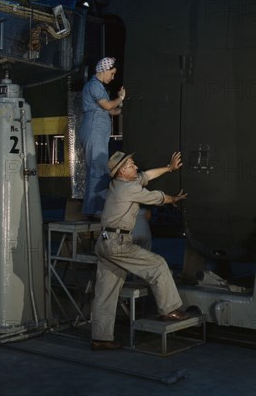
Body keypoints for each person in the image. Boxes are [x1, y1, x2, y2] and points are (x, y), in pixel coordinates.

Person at [90, 151, 189, 350]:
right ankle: (168, 309)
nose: (136, 168)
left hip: (105, 242)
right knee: (158, 264)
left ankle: (100, 338)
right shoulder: (127, 189)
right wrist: (173, 198)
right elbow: (157, 198)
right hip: (117, 243)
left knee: (106, 293)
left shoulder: (121, 184)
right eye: (132, 165)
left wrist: (169, 168)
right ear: (121, 172)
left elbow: (146, 176)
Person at [78, 57, 126, 218]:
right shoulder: (94, 85)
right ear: (104, 70)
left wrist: (125, 109)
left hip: (98, 129)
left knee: (99, 167)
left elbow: (112, 111)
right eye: (112, 73)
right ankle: (94, 209)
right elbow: (108, 106)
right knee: (97, 168)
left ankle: (95, 208)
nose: (112, 77)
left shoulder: (99, 88)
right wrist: (120, 98)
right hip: (94, 128)